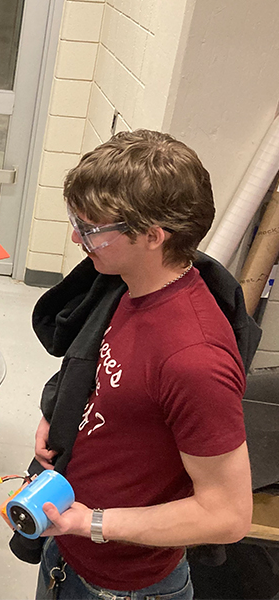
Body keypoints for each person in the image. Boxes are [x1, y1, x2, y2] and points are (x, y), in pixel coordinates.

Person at [20, 130, 261, 600]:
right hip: (69, 550)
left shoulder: (196, 360)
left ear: (153, 236)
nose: (76, 237)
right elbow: (106, 377)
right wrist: (59, 413)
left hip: (123, 585)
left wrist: (90, 523)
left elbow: (228, 515)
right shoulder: (125, 285)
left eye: (90, 229)